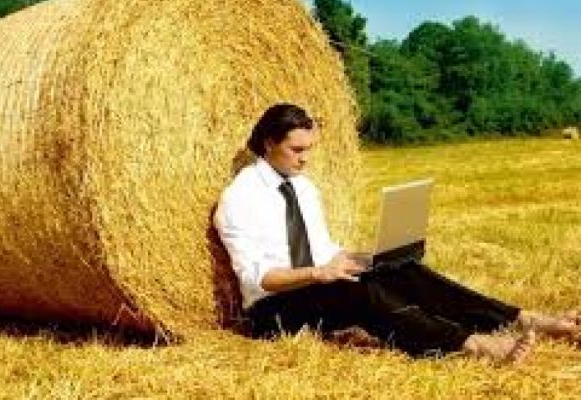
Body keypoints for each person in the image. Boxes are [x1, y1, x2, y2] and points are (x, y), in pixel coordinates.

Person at [214, 103, 580, 363]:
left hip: (318, 289)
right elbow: (256, 279)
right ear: (269, 143)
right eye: (297, 150)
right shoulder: (240, 197)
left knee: (403, 271)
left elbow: (322, 249)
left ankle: (521, 319)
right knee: (360, 293)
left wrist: (368, 258)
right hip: (272, 311)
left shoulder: (304, 188)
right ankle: (472, 345)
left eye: (309, 149)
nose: (305, 159)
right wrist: (318, 273)